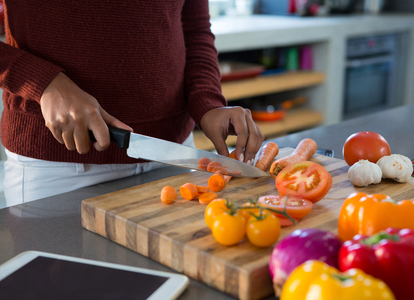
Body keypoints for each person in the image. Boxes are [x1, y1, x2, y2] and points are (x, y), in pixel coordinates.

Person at [0, 1, 264, 206]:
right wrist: (44, 84)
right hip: (57, 170)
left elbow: (194, 29)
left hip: (174, 157)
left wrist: (209, 103)